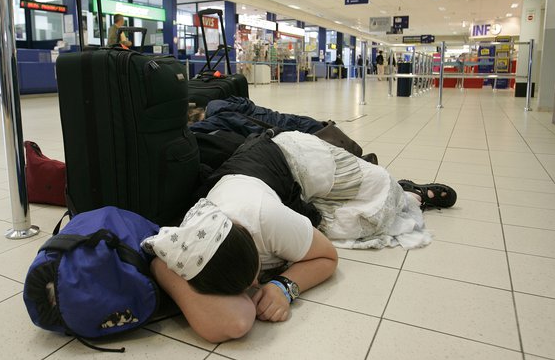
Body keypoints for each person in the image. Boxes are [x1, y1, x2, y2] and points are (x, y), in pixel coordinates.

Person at [143, 130, 456, 343]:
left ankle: (411, 193)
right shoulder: (190, 240)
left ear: (252, 238)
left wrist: (284, 286)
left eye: (254, 279)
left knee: (377, 207)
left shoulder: (265, 217)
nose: (255, 288)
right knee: (331, 224)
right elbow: (232, 323)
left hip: (296, 157)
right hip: (261, 183)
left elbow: (327, 257)